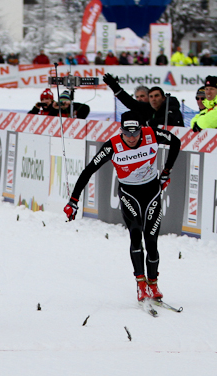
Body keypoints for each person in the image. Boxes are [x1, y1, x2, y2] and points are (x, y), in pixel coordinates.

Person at [64, 111, 181, 305]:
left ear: (141, 131)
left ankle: (153, 283)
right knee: (136, 232)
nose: (132, 138)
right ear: (121, 131)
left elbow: (175, 142)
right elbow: (88, 170)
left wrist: (167, 170)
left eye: (136, 134)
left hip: (152, 193)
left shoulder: (151, 134)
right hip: (129, 194)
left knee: (151, 240)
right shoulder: (112, 145)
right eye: (128, 134)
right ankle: (141, 283)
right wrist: (73, 200)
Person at [103, 75, 183, 127]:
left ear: (163, 98)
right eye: (151, 96)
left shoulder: (171, 106)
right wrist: (115, 87)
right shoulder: (147, 108)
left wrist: (154, 122)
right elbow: (130, 103)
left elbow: (171, 119)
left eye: (156, 96)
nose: (153, 99)